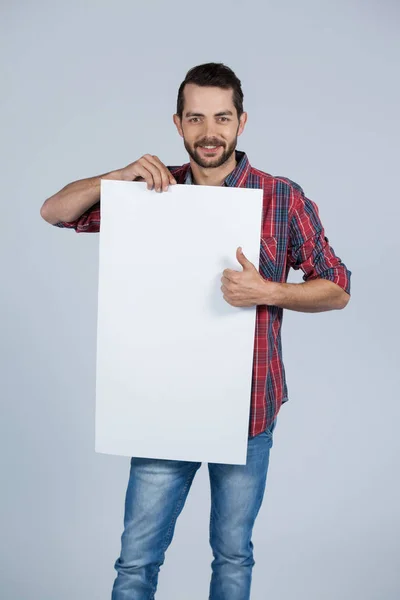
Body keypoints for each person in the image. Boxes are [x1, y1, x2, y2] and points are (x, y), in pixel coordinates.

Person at [40, 62, 352, 600]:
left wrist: (270, 292)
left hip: (249, 411)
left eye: (222, 118)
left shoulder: (282, 197)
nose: (210, 132)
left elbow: (338, 287)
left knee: (233, 555)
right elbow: (55, 211)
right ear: (179, 124)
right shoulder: (147, 192)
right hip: (163, 409)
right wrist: (118, 176)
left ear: (241, 122)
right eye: (196, 118)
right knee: (136, 562)